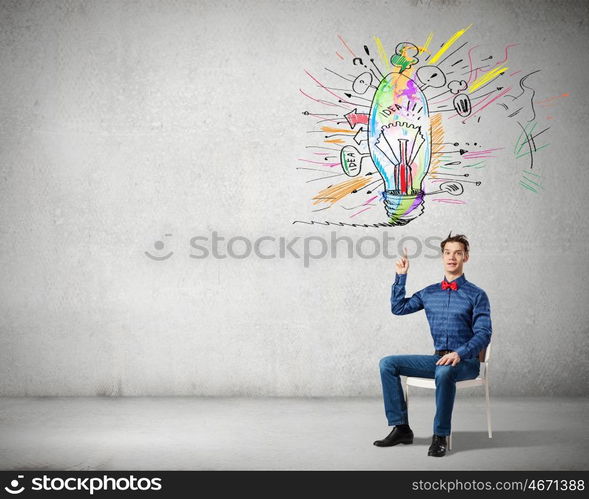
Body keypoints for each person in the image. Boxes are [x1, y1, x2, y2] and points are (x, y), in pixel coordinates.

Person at [374, 233, 492, 457]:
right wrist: (401, 277)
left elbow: (484, 334)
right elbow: (398, 308)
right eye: (448, 253)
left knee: (446, 371)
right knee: (387, 364)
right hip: (437, 358)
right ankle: (401, 428)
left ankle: (440, 436)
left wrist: (460, 353)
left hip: (465, 362)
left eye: (458, 253)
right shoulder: (430, 292)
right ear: (442, 257)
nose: (452, 257)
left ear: (466, 257)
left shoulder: (477, 295)